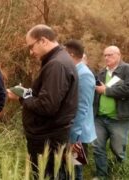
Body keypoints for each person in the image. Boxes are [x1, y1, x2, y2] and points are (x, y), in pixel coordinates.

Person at [7, 24, 78, 179]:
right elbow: (47, 96)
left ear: (43, 40)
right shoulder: (57, 60)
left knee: (47, 175)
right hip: (50, 137)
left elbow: (47, 106)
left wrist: (21, 97)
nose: (31, 52)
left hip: (48, 140)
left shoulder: (56, 64)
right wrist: (26, 92)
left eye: (31, 47)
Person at [92, 46, 129, 178]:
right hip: (100, 118)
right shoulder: (101, 72)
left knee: (118, 150)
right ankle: (101, 175)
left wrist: (106, 91)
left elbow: (128, 89)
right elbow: (96, 92)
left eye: (110, 55)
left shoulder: (127, 69)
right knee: (97, 147)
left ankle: (120, 173)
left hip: (119, 119)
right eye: (105, 55)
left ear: (119, 55)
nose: (107, 58)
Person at [64, 40, 96, 180]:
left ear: (70, 55)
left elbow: (81, 108)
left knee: (76, 171)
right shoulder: (74, 71)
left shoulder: (84, 75)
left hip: (77, 134)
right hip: (72, 131)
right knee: (69, 169)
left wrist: (74, 138)